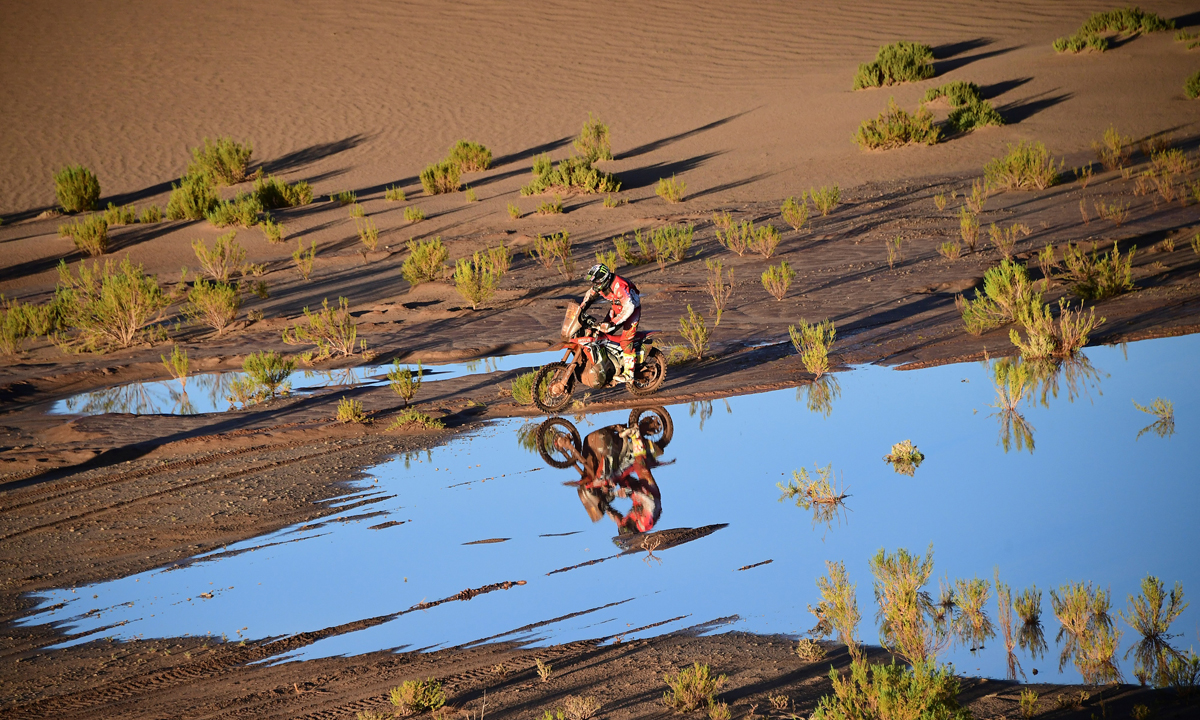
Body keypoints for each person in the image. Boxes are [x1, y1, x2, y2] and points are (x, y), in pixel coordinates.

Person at [580, 263, 640, 382]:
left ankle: (629, 374)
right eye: (594, 282)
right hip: (616, 308)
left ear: (604, 279)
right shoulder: (600, 286)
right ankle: (609, 362)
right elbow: (589, 296)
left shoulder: (619, 286)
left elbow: (629, 307)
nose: (595, 284)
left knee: (626, 341)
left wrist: (613, 323)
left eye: (597, 282)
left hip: (631, 311)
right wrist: (580, 310)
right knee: (600, 332)